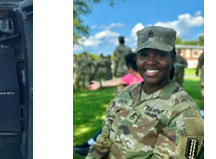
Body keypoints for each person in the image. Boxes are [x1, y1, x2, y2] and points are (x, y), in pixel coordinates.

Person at [86, 26, 203, 159]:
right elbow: (103, 140)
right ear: (137, 59)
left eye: (160, 54)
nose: (151, 61)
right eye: (143, 54)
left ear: (173, 58)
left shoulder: (183, 111)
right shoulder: (126, 93)